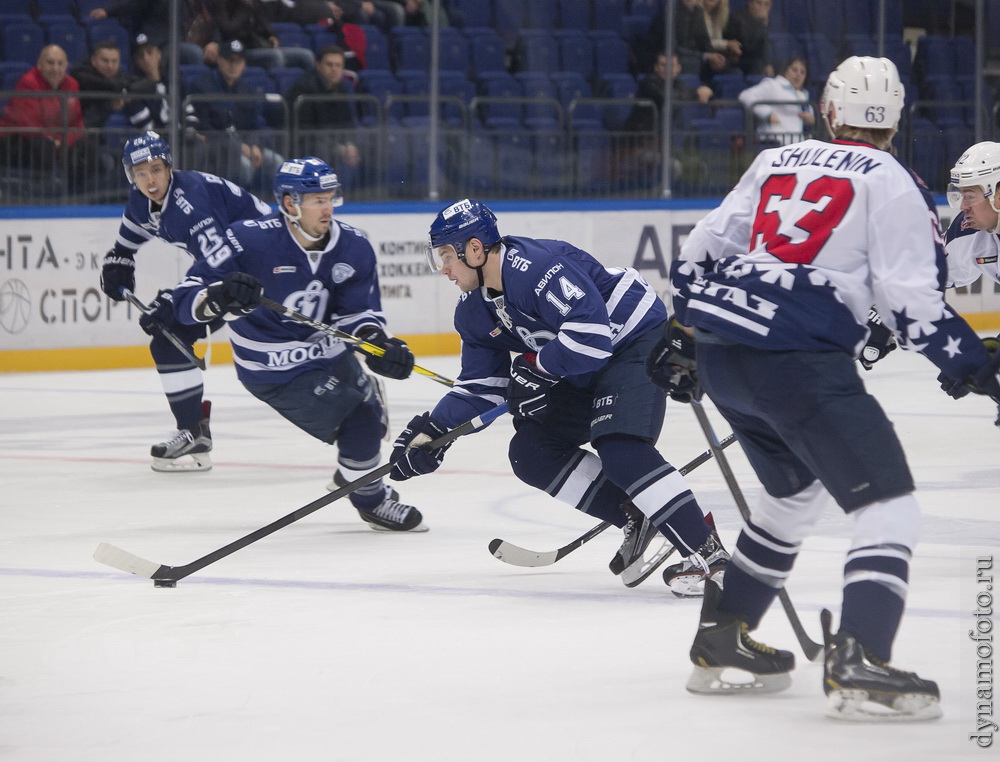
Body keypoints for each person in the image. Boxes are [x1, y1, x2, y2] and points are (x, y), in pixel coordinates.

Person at [651, 56, 1000, 720]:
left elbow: (699, 251)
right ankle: (862, 656)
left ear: (827, 112)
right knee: (889, 508)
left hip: (726, 353)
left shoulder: (777, 160)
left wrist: (685, 328)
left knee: (791, 495)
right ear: (897, 118)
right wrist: (975, 369)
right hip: (798, 358)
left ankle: (724, 638)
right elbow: (913, 306)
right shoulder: (896, 182)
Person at [386, 200, 730, 591]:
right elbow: (482, 387)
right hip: (580, 363)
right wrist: (434, 431)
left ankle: (710, 554)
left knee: (621, 449)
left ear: (476, 249)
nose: (443, 268)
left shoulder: (534, 268)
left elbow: (592, 336)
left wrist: (536, 368)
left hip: (631, 342)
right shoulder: (473, 311)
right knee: (531, 452)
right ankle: (635, 512)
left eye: (448, 256)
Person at [169, 157, 425, 532]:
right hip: (273, 369)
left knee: (372, 420)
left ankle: (352, 474)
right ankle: (370, 500)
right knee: (364, 423)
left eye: (330, 197)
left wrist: (379, 347)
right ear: (289, 203)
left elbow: (359, 316)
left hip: (329, 353)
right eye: (316, 199)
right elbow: (185, 299)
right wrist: (221, 295)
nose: (327, 208)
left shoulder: (354, 247)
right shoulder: (246, 239)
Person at [99, 131, 272, 471]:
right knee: (168, 338)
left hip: (264, 265)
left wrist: (173, 300)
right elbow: (126, 244)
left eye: (156, 169)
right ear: (130, 176)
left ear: (169, 168)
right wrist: (118, 261)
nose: (150, 180)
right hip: (239, 270)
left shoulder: (191, 203)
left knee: (172, 326)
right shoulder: (141, 199)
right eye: (141, 172)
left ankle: (358, 394)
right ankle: (193, 431)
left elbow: (223, 266)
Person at [941, 140, 1000, 427]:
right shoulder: (966, 233)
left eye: (971, 196)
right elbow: (921, 286)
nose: (963, 207)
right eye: (960, 195)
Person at [187, 39, 286, 195]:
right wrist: (238, 147)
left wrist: (253, 146)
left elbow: (254, 125)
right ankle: (237, 205)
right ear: (219, 60)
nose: (233, 65)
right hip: (218, 150)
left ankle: (270, 205)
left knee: (277, 163)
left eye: (238, 61)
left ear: (244, 64)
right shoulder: (202, 86)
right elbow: (204, 128)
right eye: (229, 60)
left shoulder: (248, 90)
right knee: (244, 166)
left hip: (246, 146)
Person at [0, 45, 86, 192]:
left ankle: (81, 199)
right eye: (50, 63)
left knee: (87, 149)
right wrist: (55, 141)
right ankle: (41, 196)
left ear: (66, 65)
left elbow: (76, 123)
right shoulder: (28, 82)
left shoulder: (72, 84)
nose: (56, 68)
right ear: (40, 64)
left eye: (60, 63)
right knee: (43, 147)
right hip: (18, 140)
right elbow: (29, 124)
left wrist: (63, 141)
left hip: (55, 141)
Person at [284, 46, 360, 180]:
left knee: (363, 148)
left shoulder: (342, 89)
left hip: (333, 143)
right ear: (318, 65)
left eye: (338, 65)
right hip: (306, 145)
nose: (334, 69)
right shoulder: (303, 89)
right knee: (321, 150)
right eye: (329, 64)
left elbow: (348, 123)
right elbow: (306, 131)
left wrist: (349, 144)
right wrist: (338, 148)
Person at [737, 56, 814, 146]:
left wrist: (811, 120)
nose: (798, 75)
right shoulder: (773, 85)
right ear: (786, 70)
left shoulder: (804, 95)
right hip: (773, 144)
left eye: (802, 72)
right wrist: (767, 113)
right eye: (794, 70)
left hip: (797, 147)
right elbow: (745, 96)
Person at [71, 40, 133, 129]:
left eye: (114, 61)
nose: (110, 66)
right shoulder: (81, 74)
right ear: (94, 61)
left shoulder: (122, 76)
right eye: (105, 61)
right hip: (84, 130)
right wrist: (113, 101)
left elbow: (136, 82)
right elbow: (101, 85)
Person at [724, 0, 773, 77]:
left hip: (754, 62)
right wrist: (761, 24)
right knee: (758, 66)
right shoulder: (737, 18)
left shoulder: (766, 20)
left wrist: (768, 64)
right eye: (759, 3)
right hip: (739, 61)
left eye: (766, 4)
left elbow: (764, 45)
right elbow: (748, 47)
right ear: (750, 3)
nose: (762, 7)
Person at [702, 0, 741, 71]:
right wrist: (726, 44)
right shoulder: (695, 13)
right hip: (700, 58)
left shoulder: (718, 16)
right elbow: (704, 43)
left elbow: (716, 42)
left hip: (714, 57)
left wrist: (729, 50)